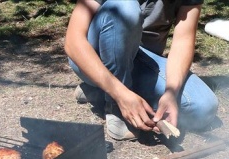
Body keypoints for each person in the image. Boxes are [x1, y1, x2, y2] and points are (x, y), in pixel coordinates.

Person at [65, 0, 219, 141]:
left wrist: (171, 92)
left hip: (141, 62)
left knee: (203, 106)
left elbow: (183, 41)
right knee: (124, 7)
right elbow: (73, 41)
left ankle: (99, 91)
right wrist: (120, 94)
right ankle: (115, 105)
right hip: (93, 55)